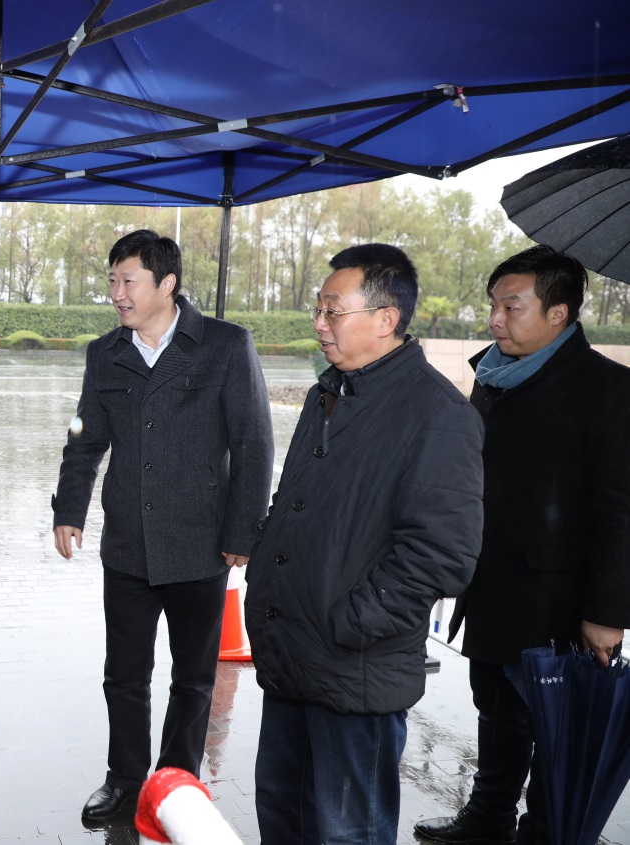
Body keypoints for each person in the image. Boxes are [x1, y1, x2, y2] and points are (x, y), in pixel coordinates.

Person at [245, 243, 483, 845]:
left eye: (333, 310)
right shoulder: (330, 393)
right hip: (291, 652)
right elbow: (296, 501)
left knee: (346, 830)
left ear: (386, 319)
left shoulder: (438, 414)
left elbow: (442, 554)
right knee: (283, 815)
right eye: (318, 310)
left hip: (355, 665)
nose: (319, 324)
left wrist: (351, 622)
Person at [52, 229, 274, 822]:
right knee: (123, 675)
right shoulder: (105, 352)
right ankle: (124, 779)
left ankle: (176, 782)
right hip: (127, 541)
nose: (116, 294)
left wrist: (243, 532)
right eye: (111, 281)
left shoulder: (224, 346)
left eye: (128, 281)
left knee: (194, 678)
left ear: (166, 284)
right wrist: (69, 510)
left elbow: (253, 443)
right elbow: (84, 438)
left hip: (200, 544)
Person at [415, 245, 630, 845]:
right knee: (497, 709)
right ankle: (488, 819)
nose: (495, 320)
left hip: (559, 594)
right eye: (493, 305)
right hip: (492, 582)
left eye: (511, 307)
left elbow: (621, 510)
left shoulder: (608, 389)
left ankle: (545, 830)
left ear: (558, 313)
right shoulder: (494, 376)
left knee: (554, 717)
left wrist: (607, 613)